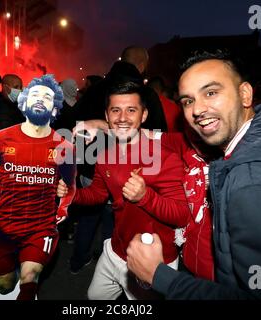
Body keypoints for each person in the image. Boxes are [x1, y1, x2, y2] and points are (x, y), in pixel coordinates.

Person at [126, 49, 261, 299]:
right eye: (188, 100)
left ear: (245, 94)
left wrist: (160, 276)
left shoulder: (254, 182)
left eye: (211, 92)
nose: (197, 109)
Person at [58, 82, 190, 299]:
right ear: (107, 116)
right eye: (115, 110)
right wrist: (72, 194)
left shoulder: (164, 157)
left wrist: (145, 196)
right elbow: (98, 195)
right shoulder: (104, 155)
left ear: (144, 115)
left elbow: (182, 215)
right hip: (115, 251)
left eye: (131, 110)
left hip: (152, 260)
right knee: (94, 297)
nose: (122, 117)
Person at [0, 74, 76, 300]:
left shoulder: (64, 146)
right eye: (35, 95)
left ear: (55, 108)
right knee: (5, 286)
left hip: (41, 228)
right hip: (3, 228)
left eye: (47, 97)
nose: (40, 99)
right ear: (24, 102)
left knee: (30, 278)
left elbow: (72, 185)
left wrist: (63, 207)